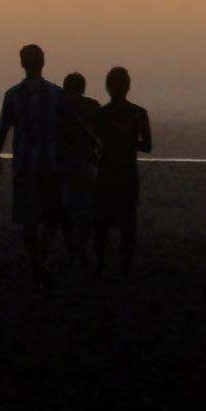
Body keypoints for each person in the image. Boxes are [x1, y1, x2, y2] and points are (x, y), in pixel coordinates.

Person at [0, 43, 64, 288]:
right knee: (51, 216)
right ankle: (39, 262)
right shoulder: (56, 93)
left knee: (29, 219)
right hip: (51, 163)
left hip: (25, 164)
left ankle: (37, 264)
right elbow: (66, 129)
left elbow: (3, 128)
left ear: (23, 63)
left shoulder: (13, 95)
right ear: (43, 62)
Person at [92, 66, 152, 276]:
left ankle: (100, 266)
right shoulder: (139, 113)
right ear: (128, 87)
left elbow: (94, 145)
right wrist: (128, 139)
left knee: (101, 223)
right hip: (127, 174)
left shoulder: (101, 114)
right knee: (128, 223)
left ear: (108, 87)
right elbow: (147, 146)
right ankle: (125, 267)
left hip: (107, 173)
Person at [57, 72, 102, 267]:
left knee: (65, 209)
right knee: (87, 209)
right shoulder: (92, 106)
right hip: (86, 163)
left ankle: (73, 247)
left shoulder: (58, 107)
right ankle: (80, 247)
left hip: (64, 163)